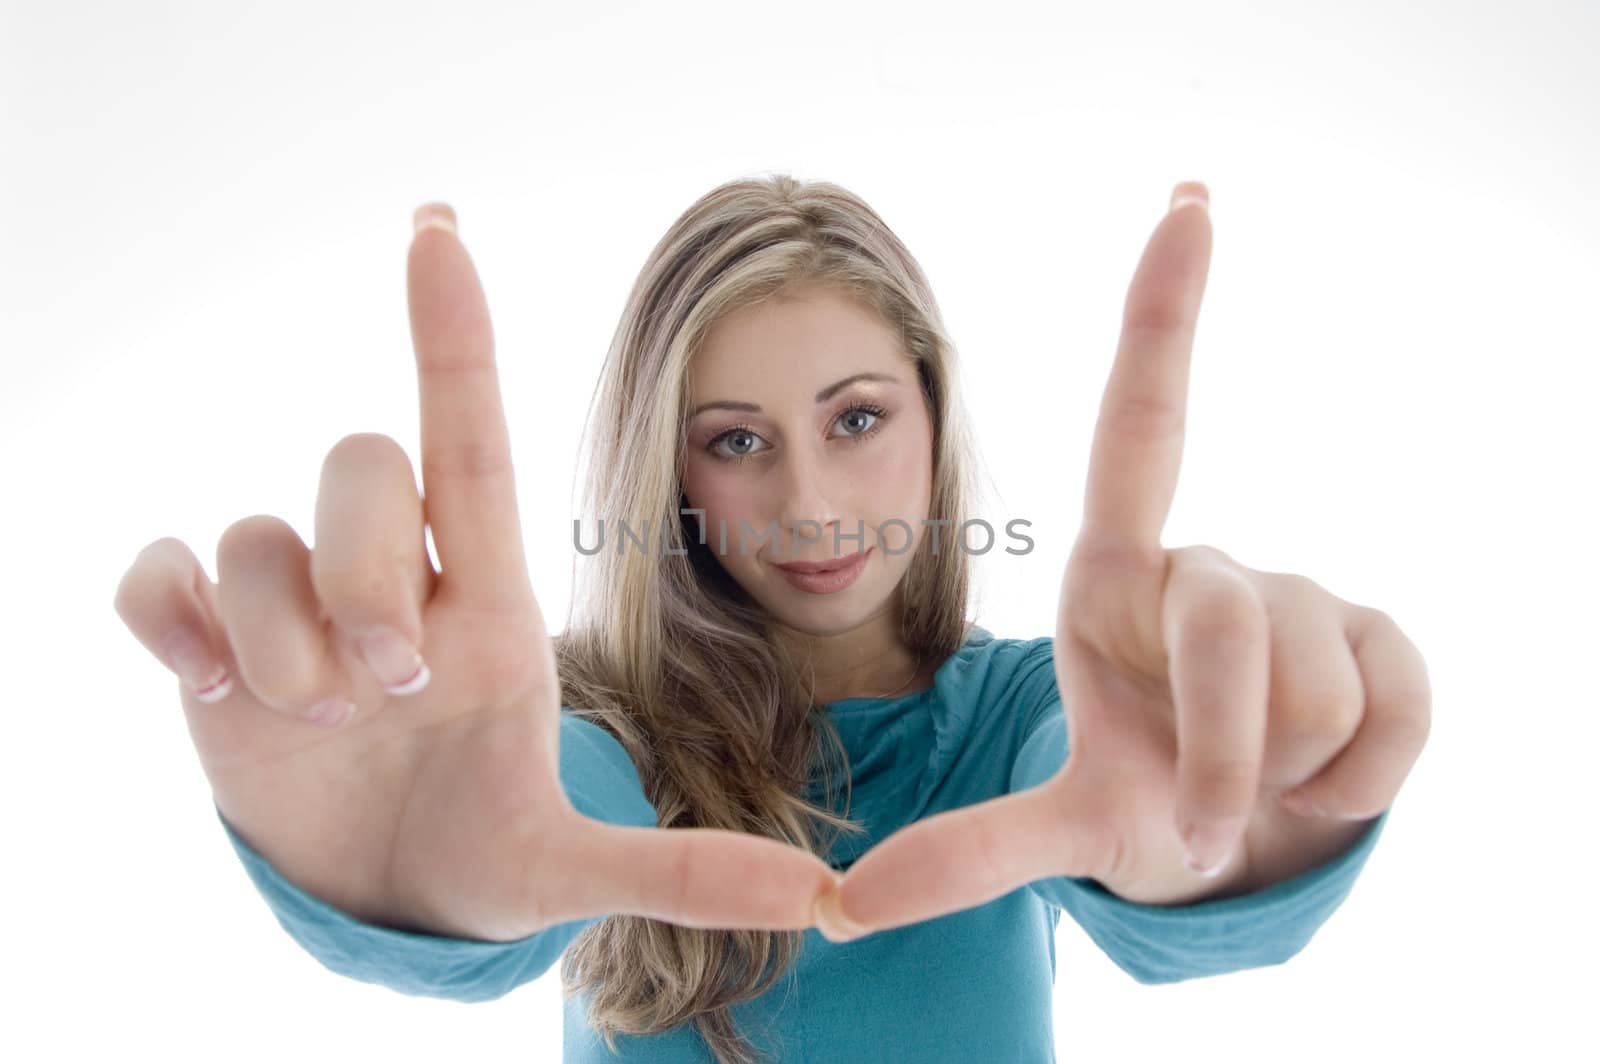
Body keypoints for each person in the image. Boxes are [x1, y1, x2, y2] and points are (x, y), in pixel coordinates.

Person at [112, 174, 1422, 1063]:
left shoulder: (1034, 717)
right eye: (737, 441)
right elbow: (548, 810)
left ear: (932, 418)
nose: (810, 502)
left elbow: (1110, 811)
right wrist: (403, 897)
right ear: (668, 475)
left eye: (856, 419)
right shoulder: (578, 728)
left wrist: (1234, 834)